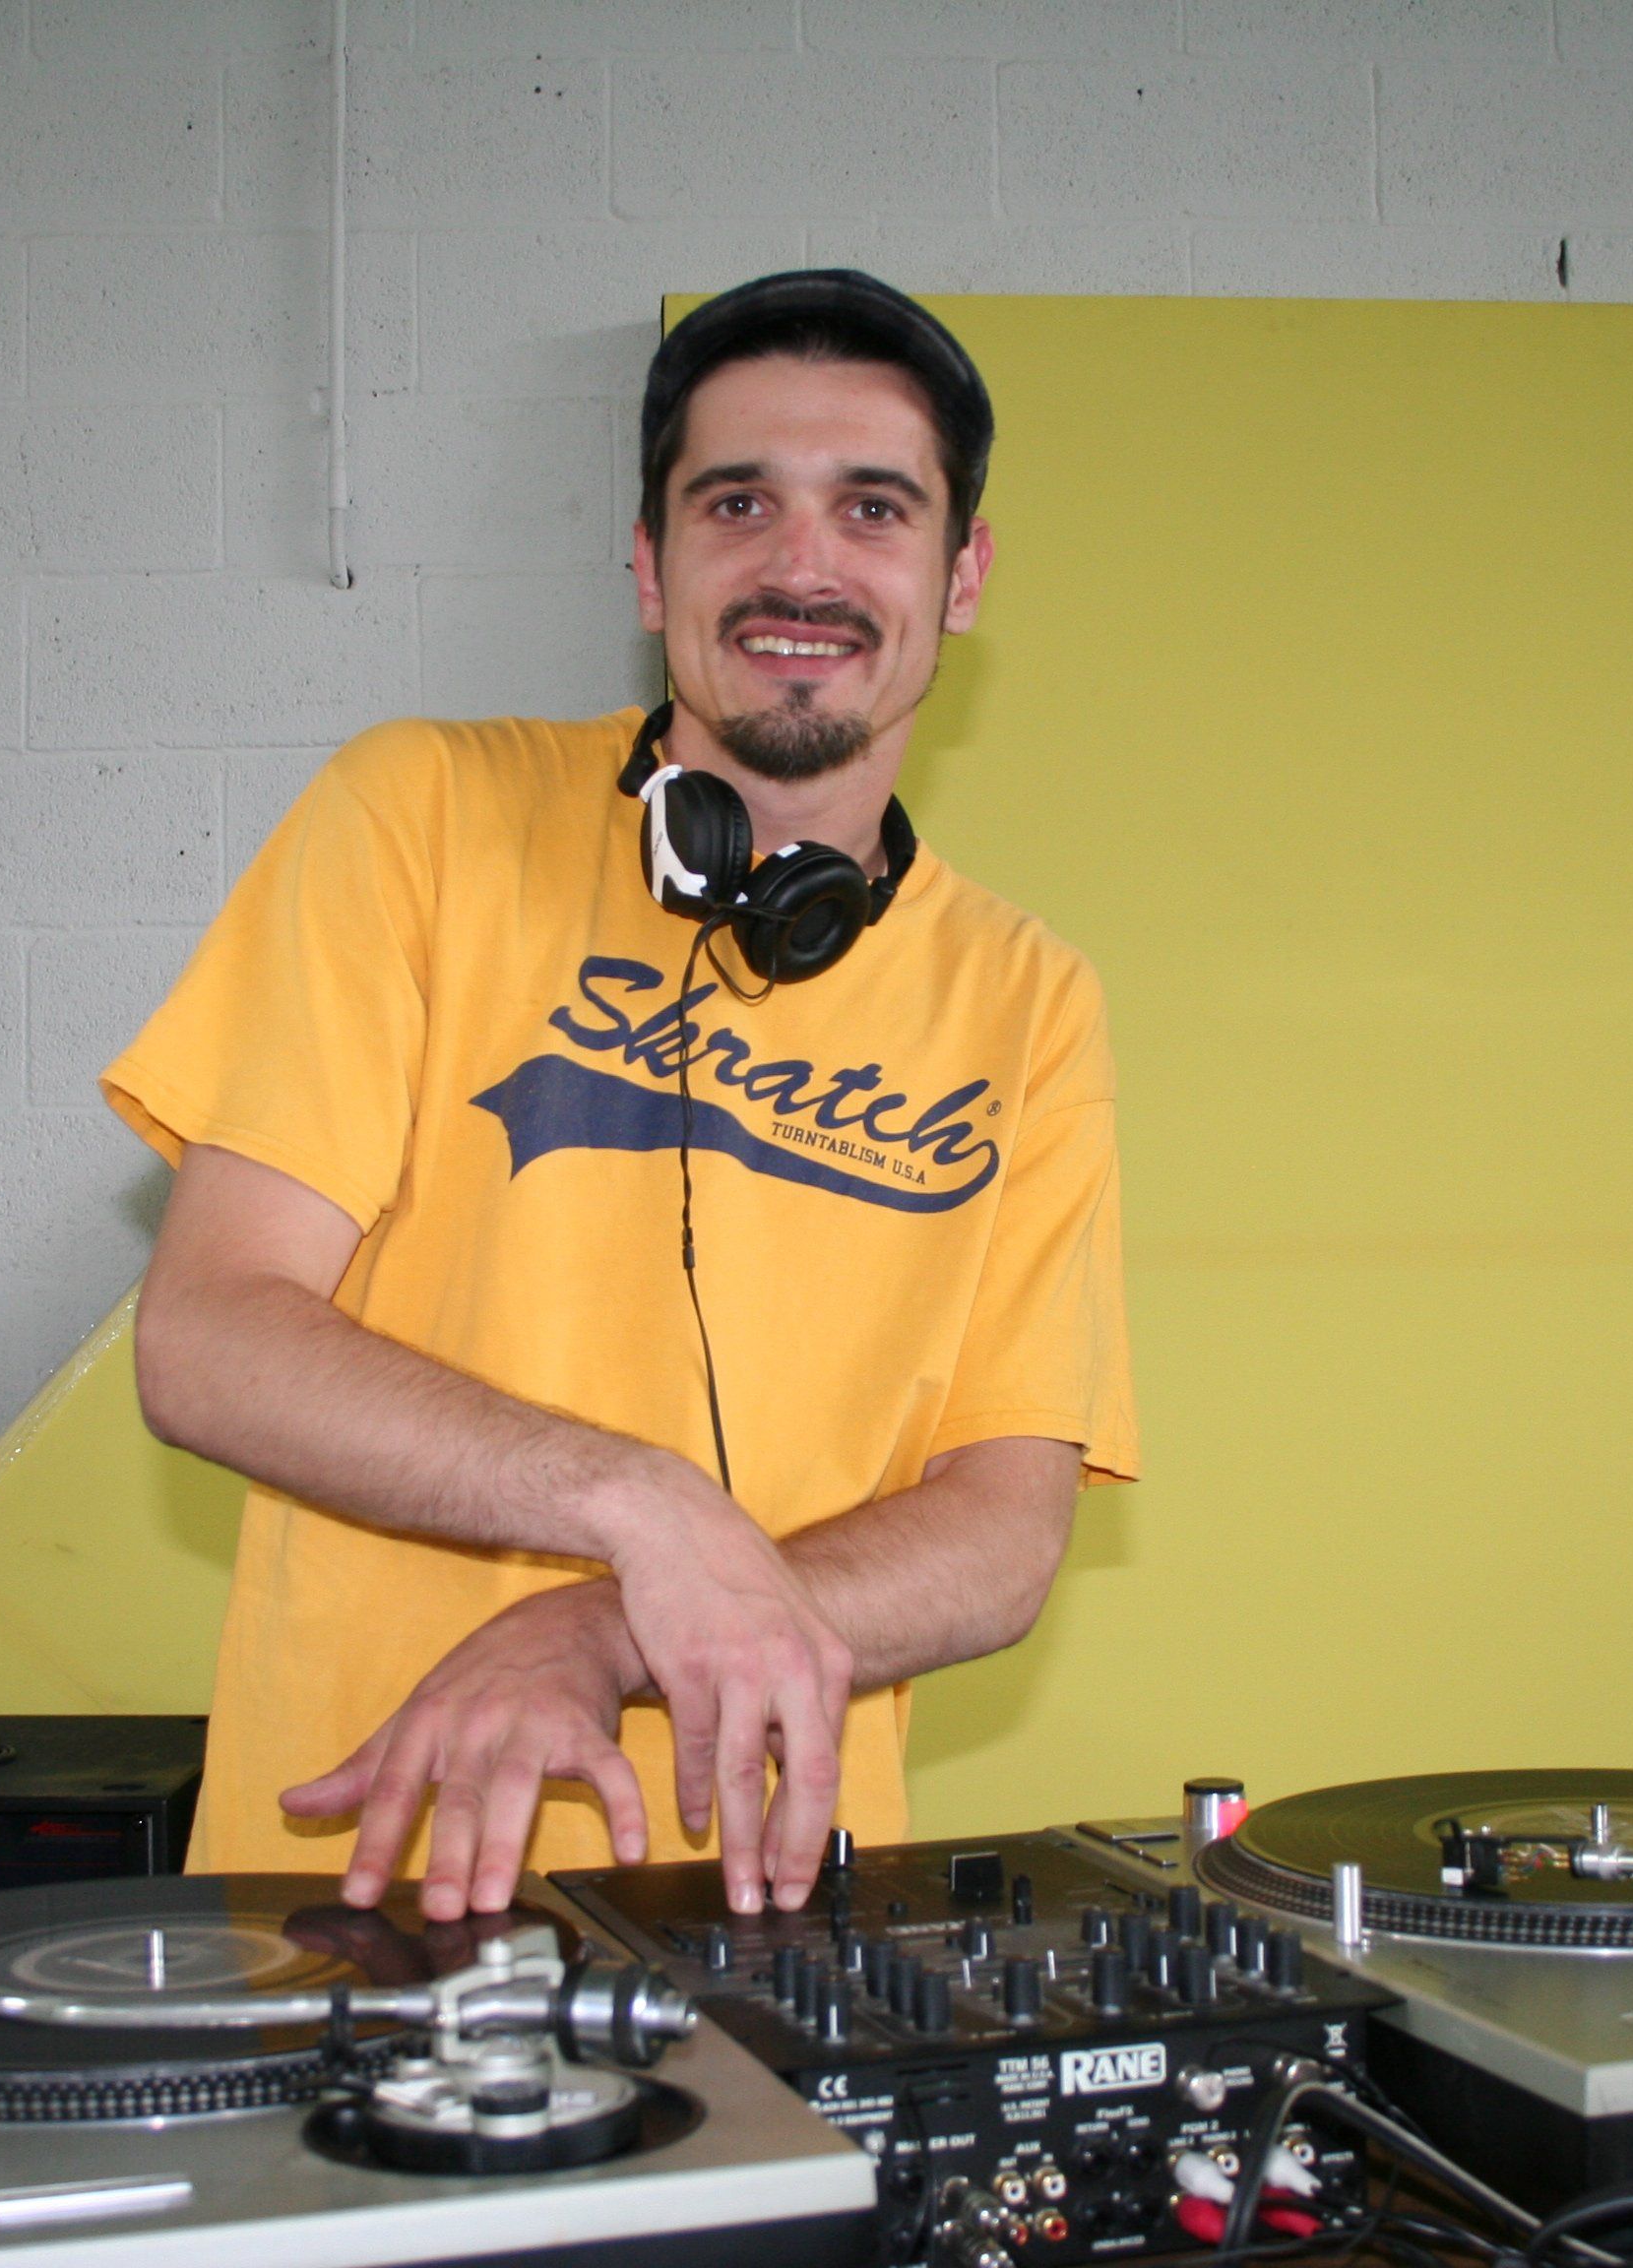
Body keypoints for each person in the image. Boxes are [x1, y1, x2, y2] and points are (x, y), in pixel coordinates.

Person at [105, 270, 1134, 1927]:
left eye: (875, 508)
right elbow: (209, 1336)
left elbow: (1006, 1534)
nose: (803, 566)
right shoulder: (420, 816)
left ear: (964, 576)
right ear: (652, 563)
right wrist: (639, 1505)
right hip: (368, 1883)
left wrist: (601, 1623)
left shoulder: (1028, 1000)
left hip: (773, 1916)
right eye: (739, 503)